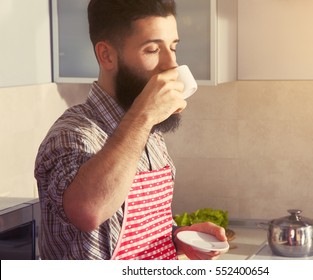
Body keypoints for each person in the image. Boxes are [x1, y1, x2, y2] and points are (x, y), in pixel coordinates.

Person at [34, 0, 227, 260]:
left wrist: (176, 237)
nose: (172, 65)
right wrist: (144, 115)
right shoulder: (72, 135)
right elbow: (88, 212)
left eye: (173, 48)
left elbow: (129, 228)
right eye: (152, 49)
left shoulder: (149, 133)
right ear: (107, 55)